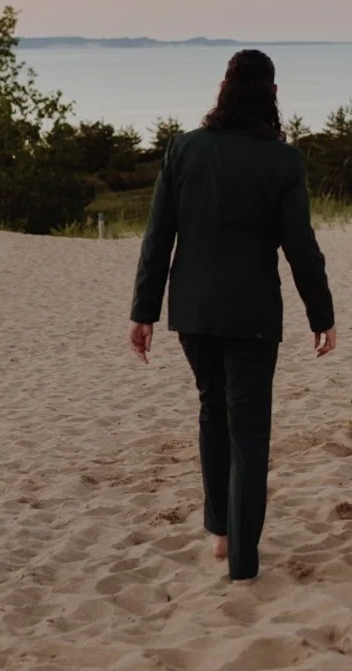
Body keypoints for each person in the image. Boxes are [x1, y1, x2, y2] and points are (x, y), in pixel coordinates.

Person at [129, 50, 336, 583]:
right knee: (248, 428)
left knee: (211, 409)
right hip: (252, 312)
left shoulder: (185, 150)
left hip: (193, 310)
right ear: (270, 93)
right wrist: (321, 313)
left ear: (223, 88)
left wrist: (143, 311)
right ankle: (242, 559)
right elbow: (301, 247)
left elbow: (159, 237)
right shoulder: (282, 161)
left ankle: (220, 533)